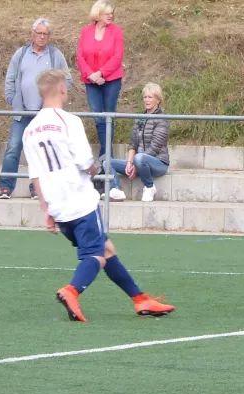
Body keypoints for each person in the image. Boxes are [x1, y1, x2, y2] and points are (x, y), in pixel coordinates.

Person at [22, 69, 175, 322]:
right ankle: (71, 291)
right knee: (95, 255)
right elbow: (85, 162)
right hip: (80, 201)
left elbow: (35, 175)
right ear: (61, 88)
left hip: (58, 207)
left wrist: (46, 210)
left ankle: (140, 299)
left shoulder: (31, 130)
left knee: (106, 249)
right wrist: (95, 169)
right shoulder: (69, 121)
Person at [0, 18, 71, 200]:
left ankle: (36, 189)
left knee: (40, 151)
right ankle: (6, 187)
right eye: (39, 33)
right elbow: (10, 79)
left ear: (49, 36)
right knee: (13, 148)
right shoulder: (21, 54)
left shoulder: (55, 56)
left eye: (45, 34)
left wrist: (55, 102)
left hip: (45, 115)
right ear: (33, 34)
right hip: (21, 113)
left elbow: (67, 80)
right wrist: (13, 100)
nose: (41, 37)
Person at [102, 83, 170, 202]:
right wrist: (129, 162)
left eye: (150, 97)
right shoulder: (139, 117)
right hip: (138, 162)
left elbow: (155, 148)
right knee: (106, 162)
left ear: (158, 100)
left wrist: (136, 164)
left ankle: (149, 187)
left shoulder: (162, 119)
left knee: (139, 158)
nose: (147, 100)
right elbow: (133, 143)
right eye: (145, 97)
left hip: (158, 163)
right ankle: (116, 189)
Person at [77, 0, 124, 160]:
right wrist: (91, 75)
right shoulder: (85, 32)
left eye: (112, 13)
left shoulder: (117, 32)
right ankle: (107, 157)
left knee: (108, 117)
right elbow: (80, 56)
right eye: (107, 13)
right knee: (98, 118)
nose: (110, 15)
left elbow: (117, 57)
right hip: (91, 81)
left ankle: (105, 157)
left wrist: (101, 73)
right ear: (98, 14)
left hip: (111, 80)